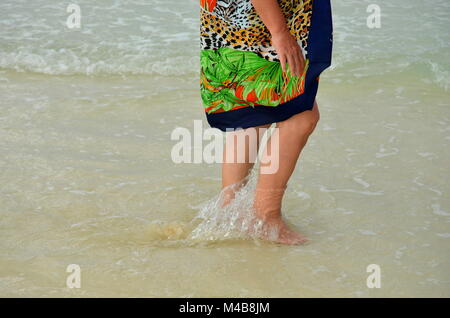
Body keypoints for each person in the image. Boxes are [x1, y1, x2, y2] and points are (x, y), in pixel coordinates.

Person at [200, 0, 333, 245]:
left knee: (252, 113)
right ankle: (265, 218)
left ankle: (227, 211)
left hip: (245, 15)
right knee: (301, 115)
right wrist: (279, 32)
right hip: (261, 16)